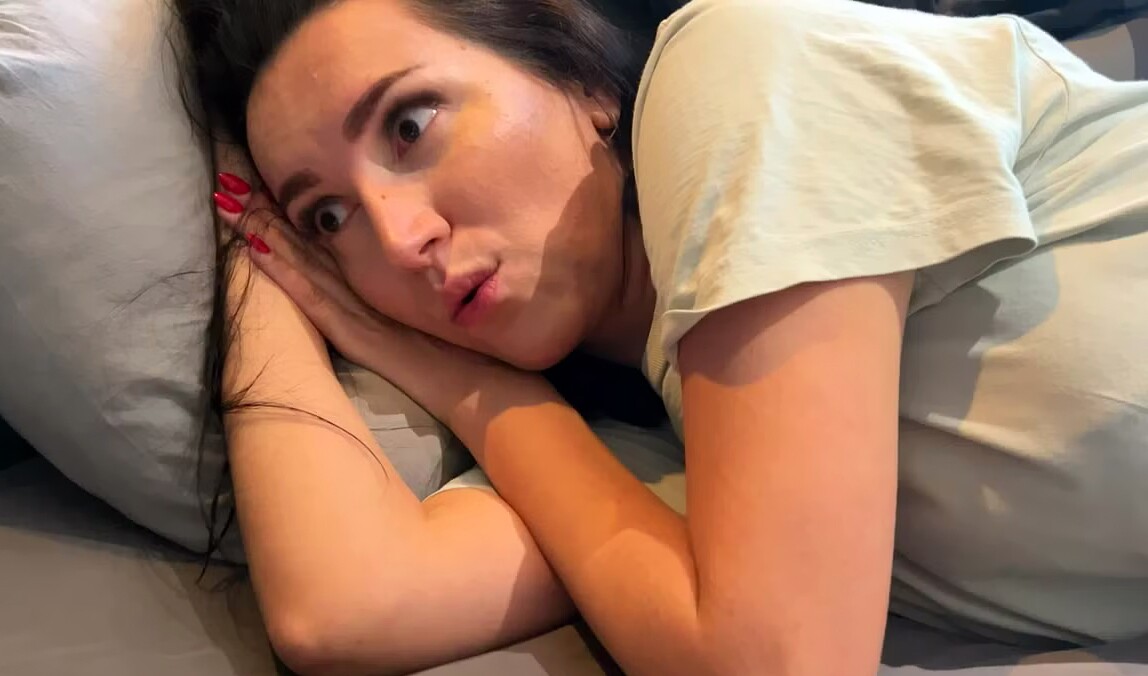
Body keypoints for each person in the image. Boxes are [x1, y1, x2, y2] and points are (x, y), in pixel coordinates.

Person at [176, 0, 1148, 673]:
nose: (397, 238)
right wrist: (237, 230)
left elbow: (775, 662)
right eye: (327, 218)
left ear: (576, 71)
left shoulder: (734, 67)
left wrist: (484, 395)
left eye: (409, 124)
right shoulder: (655, 437)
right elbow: (344, 607)